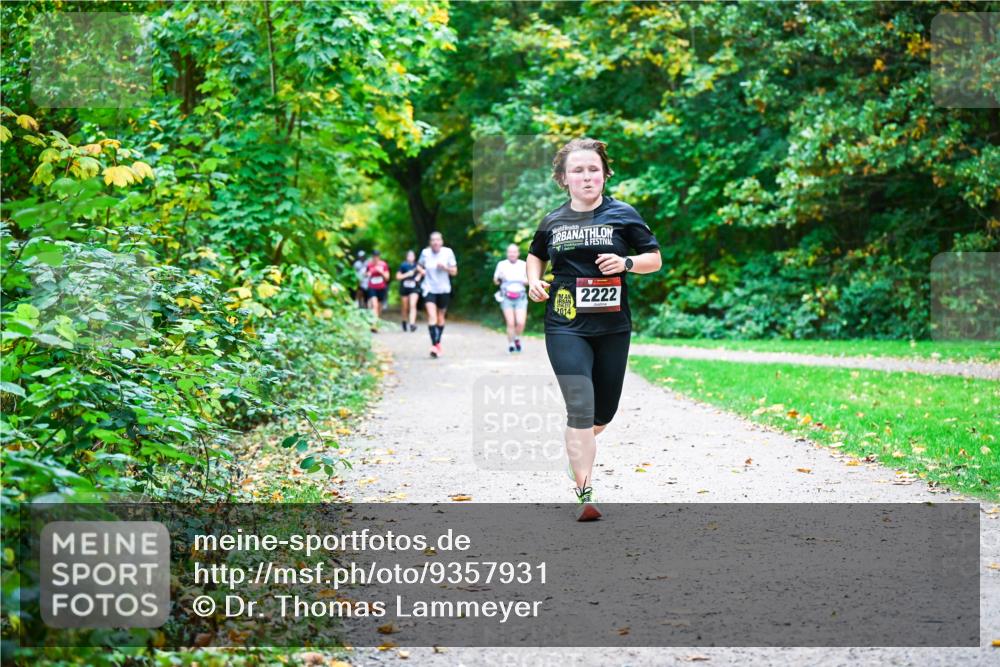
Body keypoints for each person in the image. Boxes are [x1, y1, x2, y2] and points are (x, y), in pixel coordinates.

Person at [527, 137, 662, 521]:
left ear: (604, 175)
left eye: (593, 169)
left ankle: (576, 446)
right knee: (581, 406)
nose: (586, 176)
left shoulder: (623, 214)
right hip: (565, 324)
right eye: (577, 170)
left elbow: (654, 259)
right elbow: (535, 256)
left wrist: (626, 263)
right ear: (563, 178)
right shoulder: (553, 221)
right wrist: (533, 281)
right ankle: (584, 493)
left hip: (612, 327)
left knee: (602, 414)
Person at [417, 231, 457, 358]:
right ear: (430, 242)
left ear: (441, 242)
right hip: (429, 288)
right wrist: (422, 271)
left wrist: (445, 268)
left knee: (440, 316)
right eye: (433, 240)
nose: (435, 242)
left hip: (444, 289)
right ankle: (434, 345)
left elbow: (454, 272)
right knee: (432, 316)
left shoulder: (448, 252)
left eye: (437, 240)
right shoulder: (425, 253)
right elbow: (419, 266)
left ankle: (437, 342)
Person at [493, 243, 529, 353]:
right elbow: (495, 281)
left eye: (514, 252)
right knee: (510, 323)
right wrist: (500, 279)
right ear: (507, 253)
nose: (512, 254)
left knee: (521, 322)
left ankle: (516, 338)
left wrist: (524, 281)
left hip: (520, 296)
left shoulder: (523, 264)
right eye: (510, 252)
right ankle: (511, 344)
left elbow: (529, 281)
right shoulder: (501, 264)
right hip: (506, 296)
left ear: (518, 253)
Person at [396, 249, 421, 332]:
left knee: (413, 305)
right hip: (404, 288)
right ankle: (404, 321)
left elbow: (424, 272)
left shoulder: (417, 265)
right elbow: (398, 277)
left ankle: (412, 324)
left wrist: (419, 276)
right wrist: (407, 274)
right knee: (405, 307)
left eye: (412, 255)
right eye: (409, 256)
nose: (411, 257)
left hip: (414, 288)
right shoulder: (403, 265)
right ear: (407, 257)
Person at [365, 249, 390, 332]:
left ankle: (376, 322)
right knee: (374, 305)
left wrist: (381, 272)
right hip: (372, 287)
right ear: (372, 257)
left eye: (377, 256)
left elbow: (387, 278)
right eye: (374, 256)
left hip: (381, 288)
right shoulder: (369, 265)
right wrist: (369, 273)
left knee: (379, 308)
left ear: (379, 257)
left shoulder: (383, 264)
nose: (375, 258)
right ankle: (374, 325)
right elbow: (366, 274)